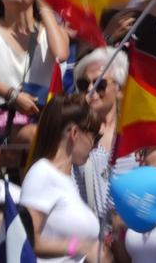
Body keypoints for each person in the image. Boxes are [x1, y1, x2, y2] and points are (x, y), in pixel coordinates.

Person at [22, 95, 103, 261]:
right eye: (94, 137)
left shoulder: (67, 180)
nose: (95, 146)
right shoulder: (42, 173)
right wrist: (79, 246)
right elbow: (26, 239)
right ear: (74, 133)